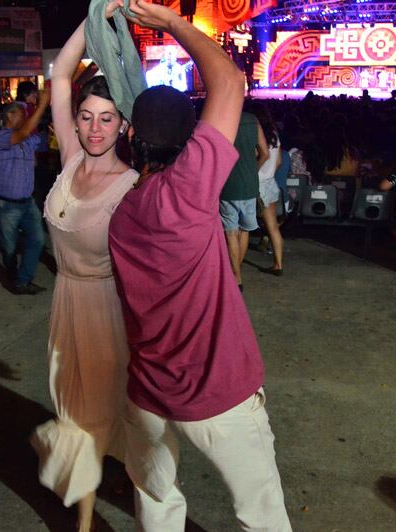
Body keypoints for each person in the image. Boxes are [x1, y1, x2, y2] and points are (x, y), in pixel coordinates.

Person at [109, 1, 292, 530]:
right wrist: (171, 23)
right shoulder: (187, 192)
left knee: (157, 501)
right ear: (188, 141)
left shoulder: (124, 214)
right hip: (216, 393)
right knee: (262, 516)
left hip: (147, 392)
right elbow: (230, 83)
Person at [28, 6, 138, 531]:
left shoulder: (133, 186)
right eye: (87, 116)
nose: (95, 128)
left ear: (125, 124)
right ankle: (98, 477)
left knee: (91, 415)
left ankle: (85, 520)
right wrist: (97, 12)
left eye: (107, 118)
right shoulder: (70, 156)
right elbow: (60, 76)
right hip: (65, 302)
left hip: (107, 311)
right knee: (73, 405)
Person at [0, 93, 50, 295]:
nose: (25, 118)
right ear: (9, 116)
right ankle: (13, 275)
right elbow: (24, 134)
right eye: (22, 114)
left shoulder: (27, 139)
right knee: (10, 249)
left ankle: (22, 280)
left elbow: (46, 142)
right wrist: (42, 104)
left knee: (38, 240)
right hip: (4, 204)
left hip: (27, 201)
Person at [219, 109, 264, 290]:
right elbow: (265, 153)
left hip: (228, 185)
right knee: (244, 231)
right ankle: (237, 272)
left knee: (230, 233)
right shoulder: (253, 120)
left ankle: (236, 277)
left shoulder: (223, 119)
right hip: (249, 186)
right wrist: (253, 168)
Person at [252, 101, 284, 275]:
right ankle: (278, 264)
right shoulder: (275, 136)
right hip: (271, 182)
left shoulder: (257, 136)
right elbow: (278, 162)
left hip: (257, 183)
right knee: (273, 227)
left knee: (241, 226)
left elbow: (260, 157)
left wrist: (254, 171)